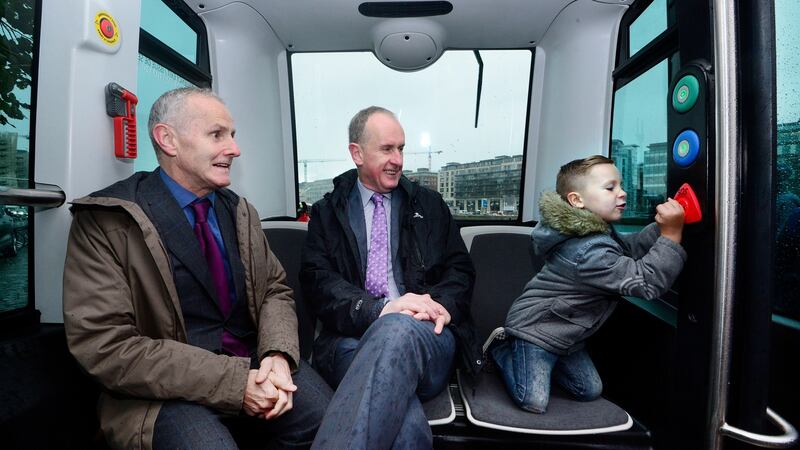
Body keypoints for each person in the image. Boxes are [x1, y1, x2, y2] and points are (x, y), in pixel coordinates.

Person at [63, 87, 331, 450]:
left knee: (333, 424)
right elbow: (106, 346)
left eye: (232, 135)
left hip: (251, 360)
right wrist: (236, 384)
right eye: (217, 134)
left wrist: (277, 356)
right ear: (168, 140)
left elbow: (274, 291)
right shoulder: (107, 220)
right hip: (160, 393)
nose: (234, 149)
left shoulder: (241, 212)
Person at [299, 106, 479, 449]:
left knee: (397, 327)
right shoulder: (327, 213)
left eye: (401, 148)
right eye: (386, 149)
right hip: (348, 339)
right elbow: (317, 281)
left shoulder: (430, 205)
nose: (398, 159)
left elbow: (461, 270)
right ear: (357, 153)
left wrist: (437, 307)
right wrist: (379, 308)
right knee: (404, 423)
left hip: (428, 334)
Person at [492, 155, 686, 414]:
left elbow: (626, 250)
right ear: (577, 200)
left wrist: (660, 228)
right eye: (610, 187)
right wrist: (671, 235)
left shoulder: (596, 233)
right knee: (533, 401)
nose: (622, 192)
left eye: (620, 185)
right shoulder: (587, 251)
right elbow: (647, 284)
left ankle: (543, 364)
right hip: (535, 332)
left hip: (567, 335)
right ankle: (503, 351)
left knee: (589, 390)